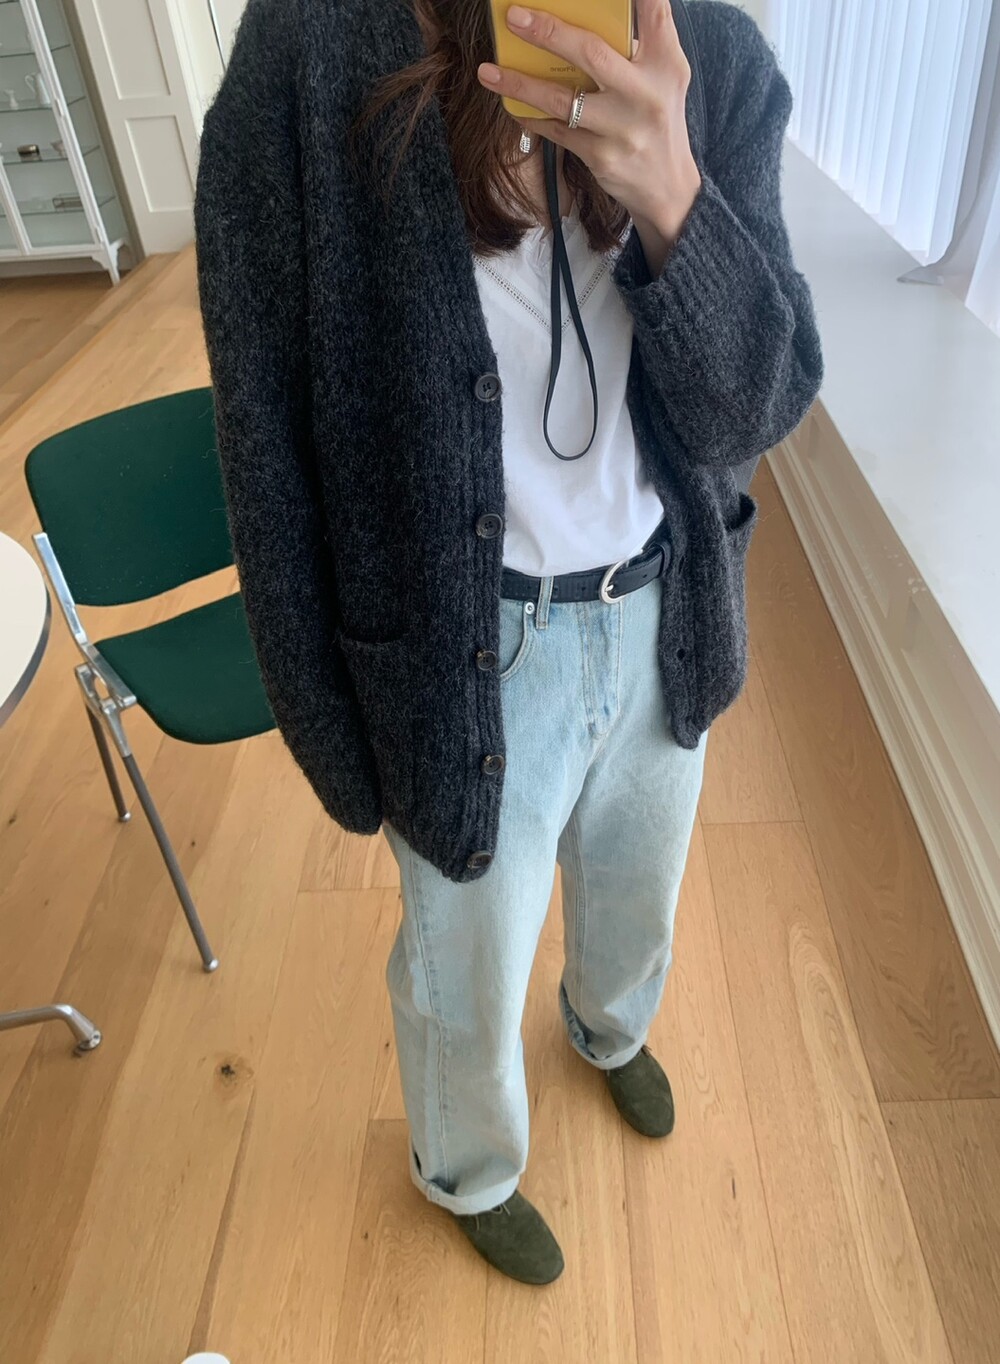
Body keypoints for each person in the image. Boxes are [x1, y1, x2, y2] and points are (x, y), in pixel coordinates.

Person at [193, 0, 824, 1287]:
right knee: (463, 965)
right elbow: (261, 419)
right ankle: (467, 1167)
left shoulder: (715, 55)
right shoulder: (311, 47)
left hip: (665, 610)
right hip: (457, 645)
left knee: (639, 886)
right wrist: (323, 708)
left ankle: (606, 1027)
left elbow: (755, 406)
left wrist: (673, 195)